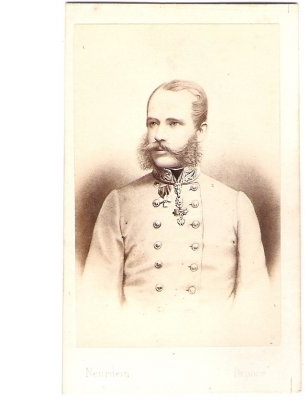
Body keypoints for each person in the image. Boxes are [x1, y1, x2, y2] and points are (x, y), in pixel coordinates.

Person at [77, 80, 274, 346]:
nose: (159, 134)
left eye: (173, 123)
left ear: (200, 131)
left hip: (213, 351)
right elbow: (97, 305)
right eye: (153, 123)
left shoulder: (236, 205)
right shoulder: (119, 202)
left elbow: (254, 307)